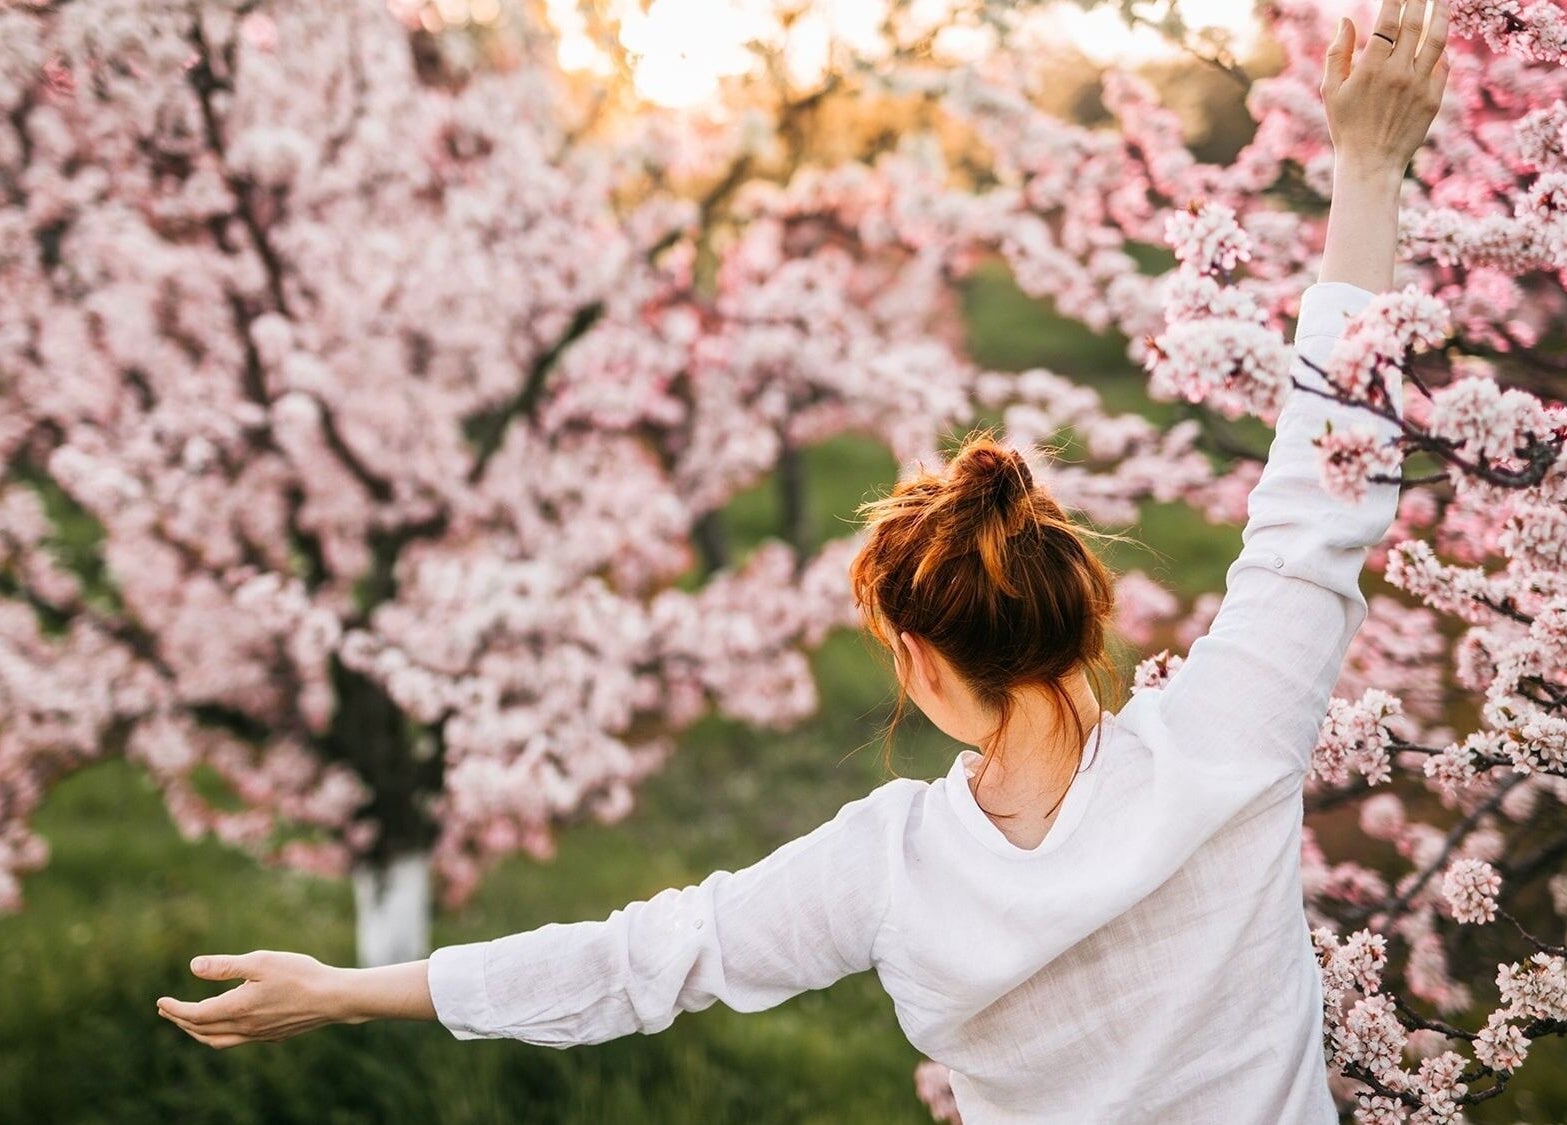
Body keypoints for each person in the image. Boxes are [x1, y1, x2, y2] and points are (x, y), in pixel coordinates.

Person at [156, 1, 1450, 1120]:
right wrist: (1367, 167)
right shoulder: (1226, 738)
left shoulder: (894, 870)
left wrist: (346, 989)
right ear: (1074, 607)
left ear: (917, 658)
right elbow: (1321, 496)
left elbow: (637, 960)